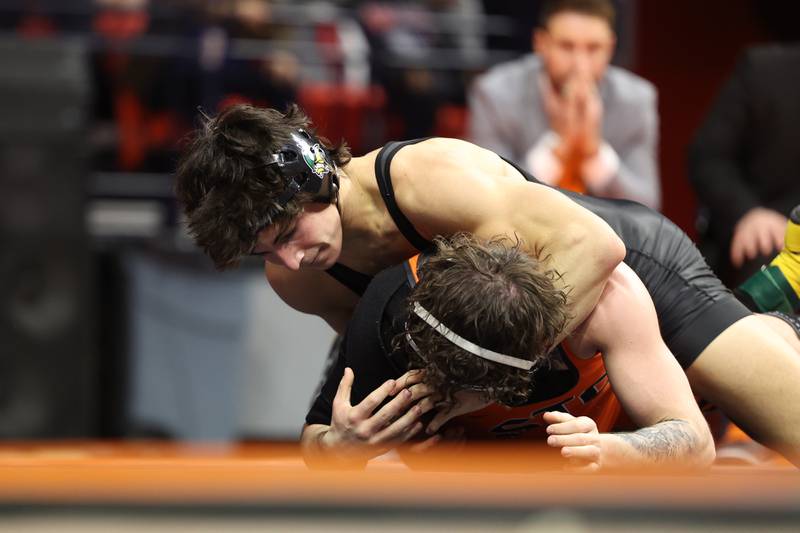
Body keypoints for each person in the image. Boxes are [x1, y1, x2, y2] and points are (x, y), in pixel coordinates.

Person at [174, 103, 800, 466]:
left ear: (315, 176)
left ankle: (774, 299)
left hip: (621, 273)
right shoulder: (300, 278)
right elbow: (377, 351)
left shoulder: (428, 177)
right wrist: (351, 439)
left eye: (288, 228)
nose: (292, 257)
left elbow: (593, 250)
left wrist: (473, 381)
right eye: (267, 251)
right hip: (517, 348)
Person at [303, 234, 716, 471]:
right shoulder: (389, 314)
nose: (444, 399)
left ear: (537, 354)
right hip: (480, 494)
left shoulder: (607, 304)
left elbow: (695, 443)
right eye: (437, 378)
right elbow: (314, 441)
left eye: (462, 389)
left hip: (599, 477)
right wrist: (340, 446)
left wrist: (611, 450)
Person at [467, 0, 660, 209]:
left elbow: (648, 205)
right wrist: (557, 147)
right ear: (540, 43)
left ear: (610, 48)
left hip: (606, 234)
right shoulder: (495, 93)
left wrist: (594, 152)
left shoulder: (636, 99)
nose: (580, 64)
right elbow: (488, 195)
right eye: (566, 47)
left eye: (593, 48)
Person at [689, 44, 800, 289]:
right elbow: (709, 157)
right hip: (769, 235)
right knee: (763, 267)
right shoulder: (765, 70)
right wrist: (748, 212)